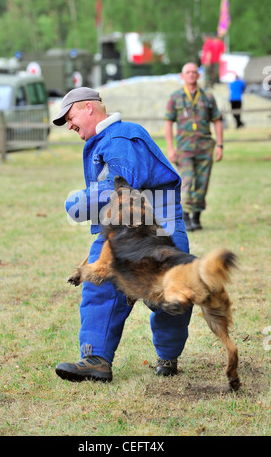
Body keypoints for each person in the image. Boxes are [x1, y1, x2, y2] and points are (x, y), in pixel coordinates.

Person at [53, 87, 192, 382]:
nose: (69, 124)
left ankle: (167, 356)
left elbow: (121, 185)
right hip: (122, 228)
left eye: (70, 115)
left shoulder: (121, 137)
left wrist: (78, 202)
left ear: (89, 107)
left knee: (170, 300)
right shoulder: (105, 139)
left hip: (157, 228)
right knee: (99, 284)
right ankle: (96, 359)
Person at [165, 63, 223, 232]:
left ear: (198, 76)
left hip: (205, 147)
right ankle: (185, 216)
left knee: (202, 183)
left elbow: (217, 120)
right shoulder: (175, 97)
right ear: (182, 76)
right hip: (184, 148)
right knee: (187, 181)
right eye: (188, 72)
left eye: (194, 72)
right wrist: (170, 148)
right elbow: (168, 123)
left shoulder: (208, 97)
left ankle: (196, 216)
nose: (191, 75)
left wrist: (220, 145)